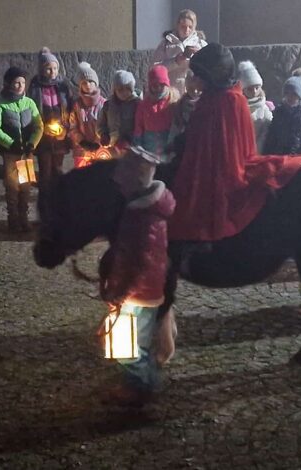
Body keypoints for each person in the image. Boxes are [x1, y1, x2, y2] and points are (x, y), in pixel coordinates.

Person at [168, 43, 301, 242]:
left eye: (199, 75)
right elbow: (198, 134)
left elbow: (225, 150)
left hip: (223, 170)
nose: (195, 80)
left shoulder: (230, 100)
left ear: (211, 76)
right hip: (205, 163)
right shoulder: (211, 97)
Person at [100, 146, 177, 405]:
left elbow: (141, 262)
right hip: (143, 291)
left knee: (129, 348)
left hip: (138, 295)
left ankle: (143, 387)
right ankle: (140, 383)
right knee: (134, 343)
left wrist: (121, 293)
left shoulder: (142, 218)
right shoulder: (147, 211)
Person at [0, 66, 44, 232]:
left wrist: (32, 143)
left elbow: (38, 125)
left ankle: (24, 217)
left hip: (26, 153)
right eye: (16, 82)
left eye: (23, 82)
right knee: (12, 187)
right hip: (11, 154)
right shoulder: (0, 105)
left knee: (26, 186)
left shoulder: (29, 103)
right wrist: (10, 143)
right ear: (8, 84)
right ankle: (13, 219)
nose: (20, 86)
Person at [27, 47, 73, 205]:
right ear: (42, 69)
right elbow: (32, 110)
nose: (52, 72)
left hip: (60, 136)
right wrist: (42, 127)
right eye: (48, 68)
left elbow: (69, 108)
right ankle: (45, 200)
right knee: (45, 170)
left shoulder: (62, 86)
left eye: (54, 68)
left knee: (57, 168)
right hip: (43, 136)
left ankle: (58, 199)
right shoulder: (35, 86)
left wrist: (65, 128)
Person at [262, 69, 301, 155]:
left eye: (294, 94)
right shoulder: (279, 112)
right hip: (278, 157)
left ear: (300, 96)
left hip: (300, 159)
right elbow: (271, 138)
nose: (290, 97)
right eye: (287, 93)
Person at [153, 9, 208, 94]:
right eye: (183, 26)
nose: (187, 30)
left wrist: (199, 57)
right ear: (177, 25)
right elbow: (155, 68)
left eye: (190, 27)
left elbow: (209, 69)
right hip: (172, 92)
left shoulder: (201, 44)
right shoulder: (166, 44)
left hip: (194, 93)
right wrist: (175, 61)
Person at [133, 64, 180, 158]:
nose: (158, 88)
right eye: (154, 86)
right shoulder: (144, 105)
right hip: (149, 147)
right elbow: (139, 126)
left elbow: (178, 125)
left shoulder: (173, 101)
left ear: (166, 84)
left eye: (161, 85)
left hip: (168, 146)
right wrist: (138, 145)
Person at [68, 62, 105, 168]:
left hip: (100, 149)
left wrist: (98, 142)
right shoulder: (77, 105)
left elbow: (106, 125)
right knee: (82, 174)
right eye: (84, 83)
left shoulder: (104, 104)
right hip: (81, 150)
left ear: (96, 83)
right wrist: (81, 141)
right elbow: (73, 126)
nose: (88, 85)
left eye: (90, 81)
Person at [99, 70, 142, 155]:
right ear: (115, 90)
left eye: (127, 89)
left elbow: (141, 124)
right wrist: (103, 134)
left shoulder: (137, 104)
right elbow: (101, 123)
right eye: (120, 90)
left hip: (132, 147)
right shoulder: (108, 105)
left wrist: (132, 139)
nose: (124, 93)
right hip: (113, 146)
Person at [237, 60, 273, 153]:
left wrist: (256, 152)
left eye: (257, 87)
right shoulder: (236, 106)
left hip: (257, 152)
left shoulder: (264, 108)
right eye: (250, 89)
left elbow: (265, 134)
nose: (254, 91)